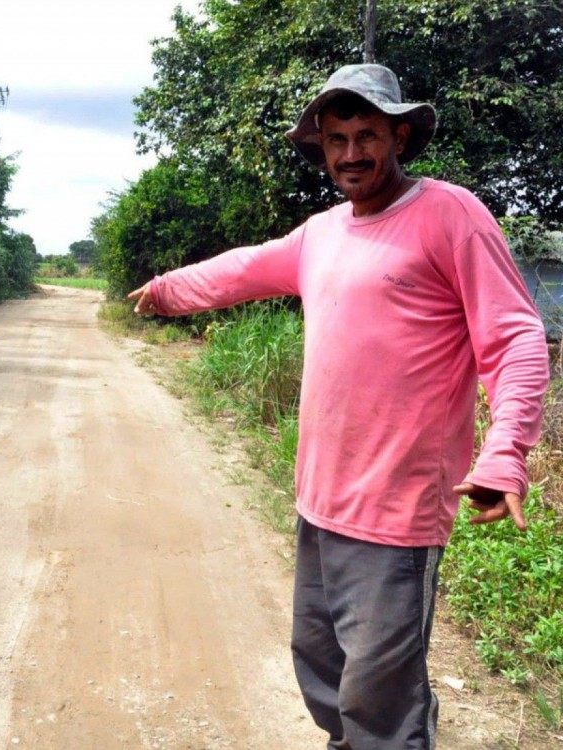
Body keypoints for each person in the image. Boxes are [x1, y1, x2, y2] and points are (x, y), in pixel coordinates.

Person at [127, 64, 549, 749]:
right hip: (320, 503)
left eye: (367, 135)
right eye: (337, 139)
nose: (352, 153)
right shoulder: (322, 233)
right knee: (322, 670)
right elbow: (242, 269)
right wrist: (167, 289)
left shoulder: (450, 214)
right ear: (321, 147)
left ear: (400, 135)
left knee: (379, 700)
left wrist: (507, 451)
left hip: (397, 513)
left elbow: (515, 339)